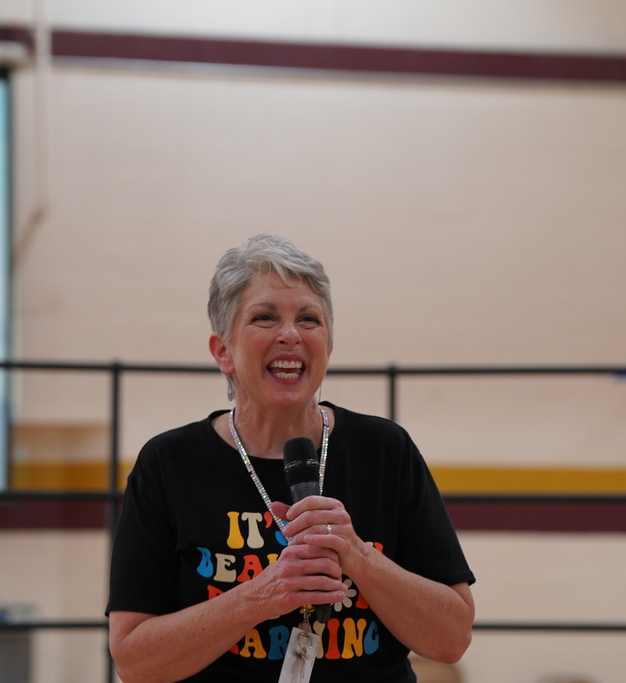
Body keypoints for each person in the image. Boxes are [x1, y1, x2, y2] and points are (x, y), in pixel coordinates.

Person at [107, 234, 475, 682]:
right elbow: (132, 660)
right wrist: (259, 597)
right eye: (264, 317)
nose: (290, 335)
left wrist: (357, 555)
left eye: (308, 319)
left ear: (329, 345)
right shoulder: (168, 463)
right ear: (222, 351)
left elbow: (452, 637)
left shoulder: (385, 450)